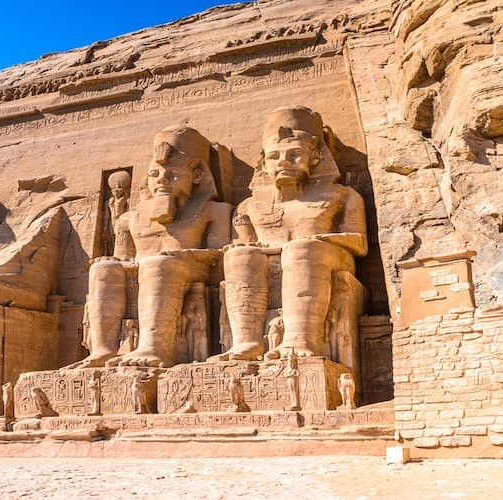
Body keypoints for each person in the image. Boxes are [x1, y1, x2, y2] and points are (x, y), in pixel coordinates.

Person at [67, 125, 232, 369]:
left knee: (159, 264)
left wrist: (181, 255)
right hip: (148, 267)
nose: (162, 181)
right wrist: (112, 261)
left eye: (173, 174)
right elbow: (123, 257)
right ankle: (102, 350)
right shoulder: (130, 218)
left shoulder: (214, 211)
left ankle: (155, 347)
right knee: (104, 269)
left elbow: (218, 255)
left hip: (190, 268)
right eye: (155, 174)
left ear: (197, 176)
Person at [213, 106, 367, 362]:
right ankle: (248, 342)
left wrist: (317, 239)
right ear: (263, 162)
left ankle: (300, 340)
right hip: (280, 259)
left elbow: (360, 243)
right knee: (240, 256)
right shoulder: (248, 206)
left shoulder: (341, 195)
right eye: (274, 156)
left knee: (301, 249)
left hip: (327, 258)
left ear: (316, 156)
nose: (283, 162)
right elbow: (242, 245)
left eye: (294, 154)